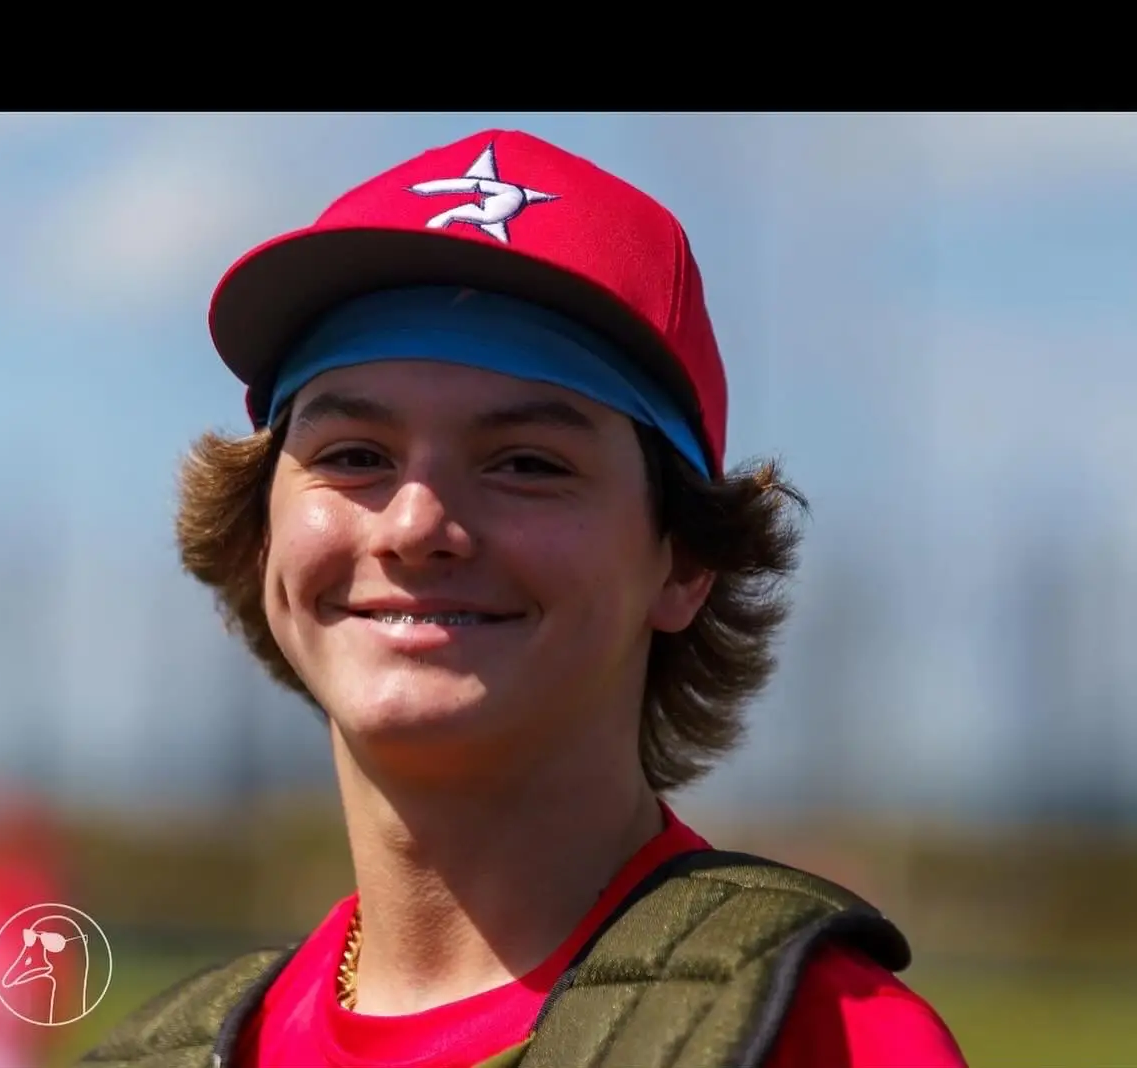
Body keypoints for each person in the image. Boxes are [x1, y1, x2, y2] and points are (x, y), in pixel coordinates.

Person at [80, 129, 968, 1068]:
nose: (416, 523)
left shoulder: (829, 1038)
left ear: (684, 563)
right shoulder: (156, 1055)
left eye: (527, 464)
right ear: (262, 534)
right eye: (355, 455)